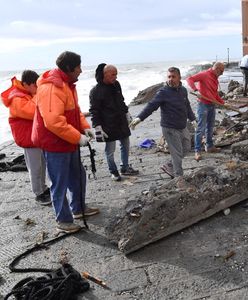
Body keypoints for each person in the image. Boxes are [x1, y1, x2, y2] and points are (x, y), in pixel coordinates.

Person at [32, 51, 99, 233]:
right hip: (55, 143)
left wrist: (85, 128)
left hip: (67, 140)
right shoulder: (52, 88)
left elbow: (75, 112)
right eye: (78, 67)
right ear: (69, 68)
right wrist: (77, 137)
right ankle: (63, 220)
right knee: (59, 182)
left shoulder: (67, 85)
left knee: (78, 175)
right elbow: (53, 122)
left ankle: (78, 208)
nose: (81, 70)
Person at [130, 67, 195, 189]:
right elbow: (151, 106)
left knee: (186, 148)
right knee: (176, 154)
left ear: (179, 77)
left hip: (182, 126)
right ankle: (178, 179)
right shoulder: (163, 92)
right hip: (169, 128)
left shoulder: (183, 91)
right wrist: (139, 118)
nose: (171, 79)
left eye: (173, 77)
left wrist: (193, 119)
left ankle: (169, 165)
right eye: (169, 77)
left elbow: (187, 106)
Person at [1, 70, 51, 205]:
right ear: (27, 84)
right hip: (28, 139)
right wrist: (38, 95)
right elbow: (33, 112)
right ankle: (38, 193)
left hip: (35, 137)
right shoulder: (17, 98)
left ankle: (43, 188)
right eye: (36, 85)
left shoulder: (26, 95)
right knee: (35, 167)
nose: (37, 89)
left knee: (42, 165)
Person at [89, 63, 139, 181]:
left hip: (121, 121)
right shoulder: (95, 91)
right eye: (113, 75)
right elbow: (94, 110)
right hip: (108, 125)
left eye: (116, 74)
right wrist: (97, 126)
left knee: (125, 145)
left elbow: (121, 100)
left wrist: (127, 113)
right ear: (104, 74)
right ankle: (113, 171)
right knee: (110, 150)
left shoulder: (116, 85)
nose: (115, 77)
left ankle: (125, 167)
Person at [186, 62, 225, 161]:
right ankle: (197, 151)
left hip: (212, 105)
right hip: (202, 105)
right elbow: (190, 79)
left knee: (210, 127)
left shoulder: (215, 78)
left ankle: (209, 146)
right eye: (221, 71)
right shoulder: (204, 74)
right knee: (200, 129)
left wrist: (223, 103)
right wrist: (196, 90)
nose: (222, 74)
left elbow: (215, 94)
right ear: (216, 69)